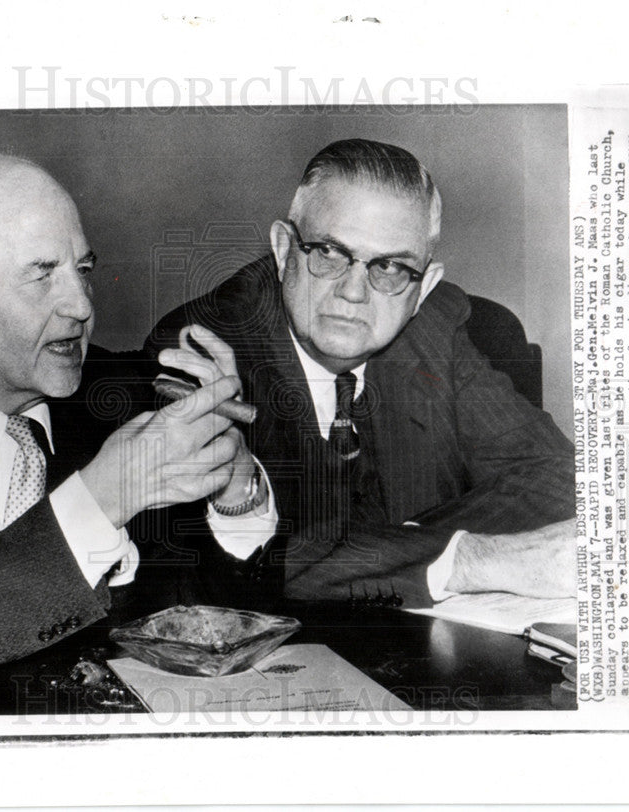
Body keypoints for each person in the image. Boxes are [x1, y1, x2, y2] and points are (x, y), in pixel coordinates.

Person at [0, 154, 274, 686]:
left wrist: (234, 481)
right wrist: (100, 498)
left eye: (82, 270)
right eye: (42, 275)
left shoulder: (114, 390)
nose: (82, 305)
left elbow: (209, 626)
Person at [148, 139, 577, 608]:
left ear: (424, 287)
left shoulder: (434, 327)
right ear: (283, 248)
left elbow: (556, 477)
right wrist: (467, 559)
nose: (354, 292)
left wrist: (407, 551)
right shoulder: (201, 348)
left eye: (390, 266)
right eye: (330, 253)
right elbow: (238, 571)